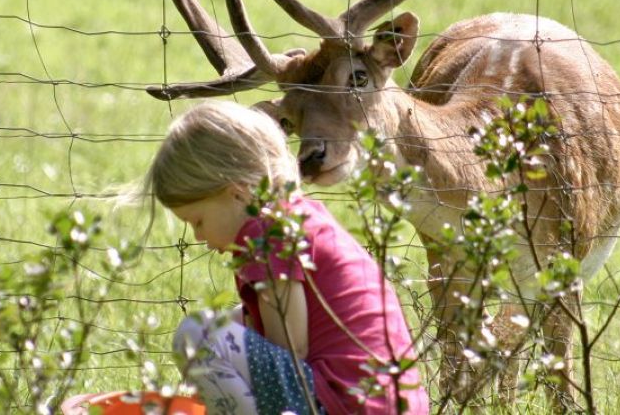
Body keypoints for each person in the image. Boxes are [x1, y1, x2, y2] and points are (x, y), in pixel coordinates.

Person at [143, 100, 429, 415]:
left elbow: (290, 349)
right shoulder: (294, 218)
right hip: (383, 402)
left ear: (236, 193)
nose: (198, 236)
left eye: (197, 221)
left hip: (345, 403)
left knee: (195, 335)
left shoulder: (267, 234)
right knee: (225, 325)